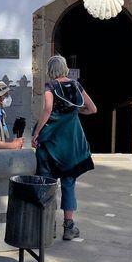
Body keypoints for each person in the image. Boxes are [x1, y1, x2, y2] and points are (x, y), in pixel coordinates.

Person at [32, 55, 97, 240]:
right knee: (69, 183)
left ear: (50, 70)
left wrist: (37, 132)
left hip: (52, 140)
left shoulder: (50, 86)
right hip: (72, 141)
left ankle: (47, 226)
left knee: (47, 182)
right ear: (65, 68)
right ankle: (69, 227)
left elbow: (47, 109)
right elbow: (92, 108)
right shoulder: (76, 85)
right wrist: (76, 112)